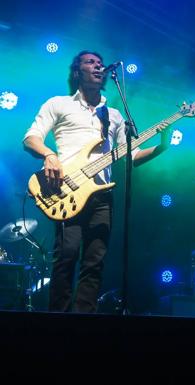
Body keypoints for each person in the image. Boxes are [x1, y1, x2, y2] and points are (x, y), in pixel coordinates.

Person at [23, 50, 171, 313]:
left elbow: (132, 156)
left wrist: (163, 145)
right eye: (90, 62)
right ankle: (57, 322)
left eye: (100, 63)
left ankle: (85, 323)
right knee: (66, 257)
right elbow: (31, 138)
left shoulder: (113, 115)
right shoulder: (58, 104)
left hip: (102, 195)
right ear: (77, 72)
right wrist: (49, 155)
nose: (98, 66)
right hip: (66, 191)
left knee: (95, 261)